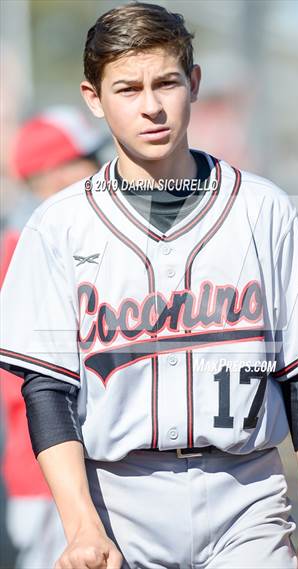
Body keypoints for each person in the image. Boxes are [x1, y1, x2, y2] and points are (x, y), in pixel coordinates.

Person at [0, 3, 298, 568]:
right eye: (127, 88)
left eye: (166, 82)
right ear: (93, 98)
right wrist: (80, 527)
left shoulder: (262, 209)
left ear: (193, 83)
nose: (150, 106)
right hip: (118, 495)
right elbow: (47, 390)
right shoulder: (58, 225)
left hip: (247, 492)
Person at [0, 106, 104, 569]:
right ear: (50, 175)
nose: (101, 168)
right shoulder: (21, 251)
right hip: (47, 472)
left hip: (92, 465)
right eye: (87, 158)